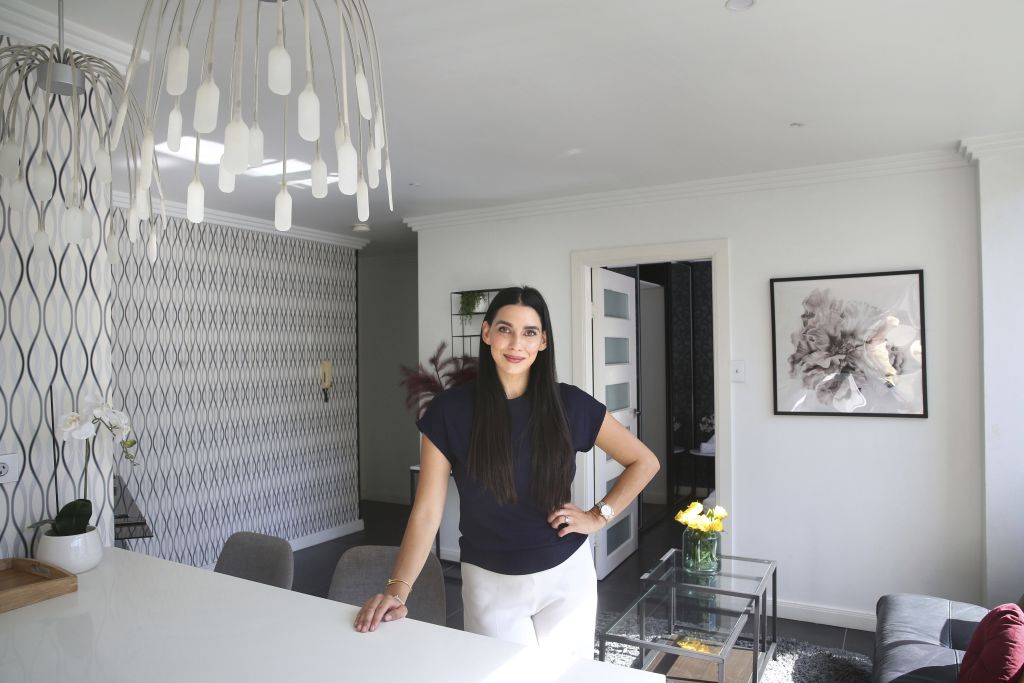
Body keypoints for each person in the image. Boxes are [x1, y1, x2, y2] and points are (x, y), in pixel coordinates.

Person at [354, 285, 660, 660]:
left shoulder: (570, 404)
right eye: (505, 329)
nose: (517, 343)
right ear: (487, 333)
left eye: (530, 332)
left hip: (567, 577)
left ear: (543, 341)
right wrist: (397, 591)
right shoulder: (449, 412)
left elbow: (644, 462)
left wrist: (598, 516)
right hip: (489, 583)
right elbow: (427, 511)